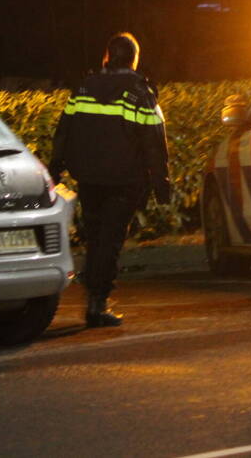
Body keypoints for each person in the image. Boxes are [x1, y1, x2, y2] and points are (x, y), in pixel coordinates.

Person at [50, 32, 171, 327]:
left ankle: (93, 299)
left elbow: (64, 130)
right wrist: (161, 183)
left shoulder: (83, 88)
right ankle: (98, 304)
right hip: (124, 180)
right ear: (134, 59)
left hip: (90, 178)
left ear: (107, 57)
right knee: (110, 241)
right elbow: (154, 142)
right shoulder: (141, 93)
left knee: (95, 238)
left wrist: (55, 168)